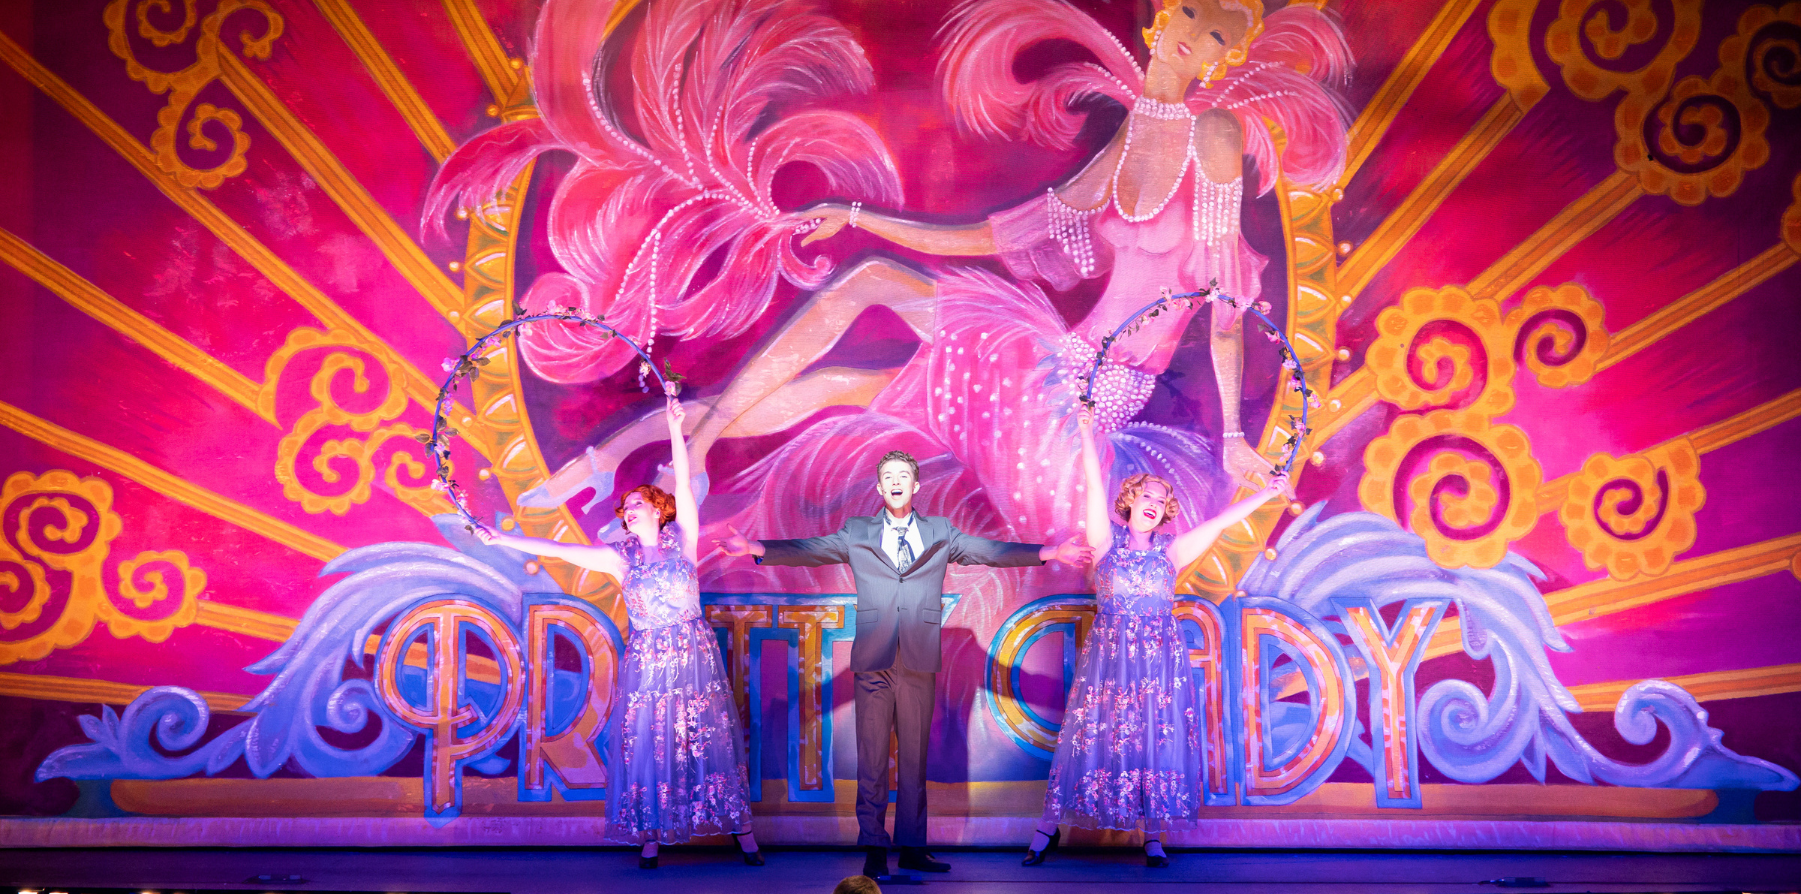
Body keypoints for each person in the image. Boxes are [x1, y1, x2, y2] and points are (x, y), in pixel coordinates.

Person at [719, 450, 1092, 879]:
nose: (895, 481)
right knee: (873, 758)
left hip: (918, 657)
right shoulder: (858, 532)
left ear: (916, 487)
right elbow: (810, 549)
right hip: (873, 659)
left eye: (903, 476)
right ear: (880, 489)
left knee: (914, 759)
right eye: (888, 476)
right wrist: (754, 547)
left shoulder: (940, 532)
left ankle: (913, 846)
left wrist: (1050, 552)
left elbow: (990, 550)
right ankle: (875, 849)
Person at [478, 392, 762, 869]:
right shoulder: (618, 559)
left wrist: (675, 426)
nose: (627, 510)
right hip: (649, 657)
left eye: (636, 503)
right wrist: (501, 537)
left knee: (706, 735)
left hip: (691, 650)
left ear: (658, 509)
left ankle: (742, 832)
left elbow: (686, 483)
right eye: (624, 507)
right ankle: (651, 835)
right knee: (651, 739)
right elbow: (556, 550)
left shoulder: (684, 544)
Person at [1022, 405, 1290, 868]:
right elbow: (1090, 474)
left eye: (1160, 497)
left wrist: (1268, 492)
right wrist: (1087, 431)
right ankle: (1047, 829)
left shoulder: (1174, 552)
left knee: (1154, 738)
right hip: (1110, 662)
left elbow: (1223, 523)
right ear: (1130, 501)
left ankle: (1153, 836)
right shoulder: (1106, 543)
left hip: (1157, 662)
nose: (1152, 499)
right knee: (1091, 736)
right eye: (1145, 492)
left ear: (1163, 510)